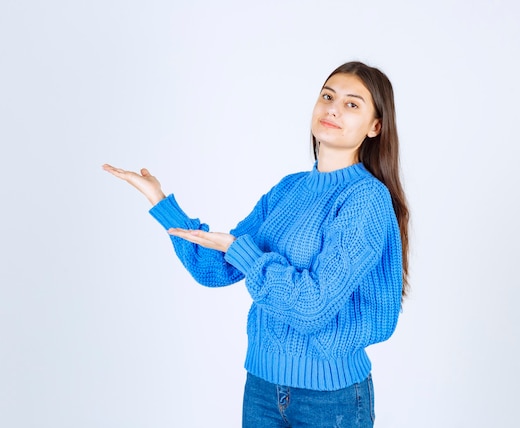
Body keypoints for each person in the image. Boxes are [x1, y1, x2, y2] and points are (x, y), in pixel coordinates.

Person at [103, 61, 409, 427]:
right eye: (327, 96)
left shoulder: (366, 200)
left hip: (331, 399)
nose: (333, 108)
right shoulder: (289, 189)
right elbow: (214, 268)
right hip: (262, 387)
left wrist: (244, 253)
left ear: (376, 126)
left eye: (352, 104)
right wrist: (160, 202)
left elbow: (313, 305)